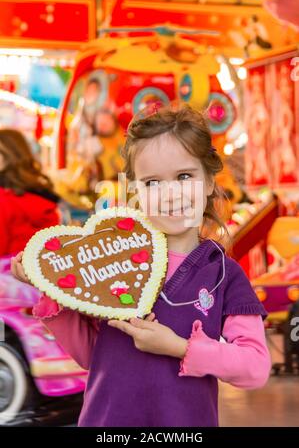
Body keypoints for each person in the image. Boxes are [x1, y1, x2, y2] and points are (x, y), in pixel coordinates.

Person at [11, 105, 271, 427]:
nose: (170, 194)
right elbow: (93, 355)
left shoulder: (222, 275)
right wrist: (50, 284)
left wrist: (178, 347)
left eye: (184, 176)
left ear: (208, 182)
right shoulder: (113, 259)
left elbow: (255, 366)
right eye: (152, 183)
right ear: (135, 191)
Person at [0, 129, 60, 257]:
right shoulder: (42, 195)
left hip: (9, 271)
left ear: (7, 157)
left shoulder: (4, 199)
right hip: (40, 270)